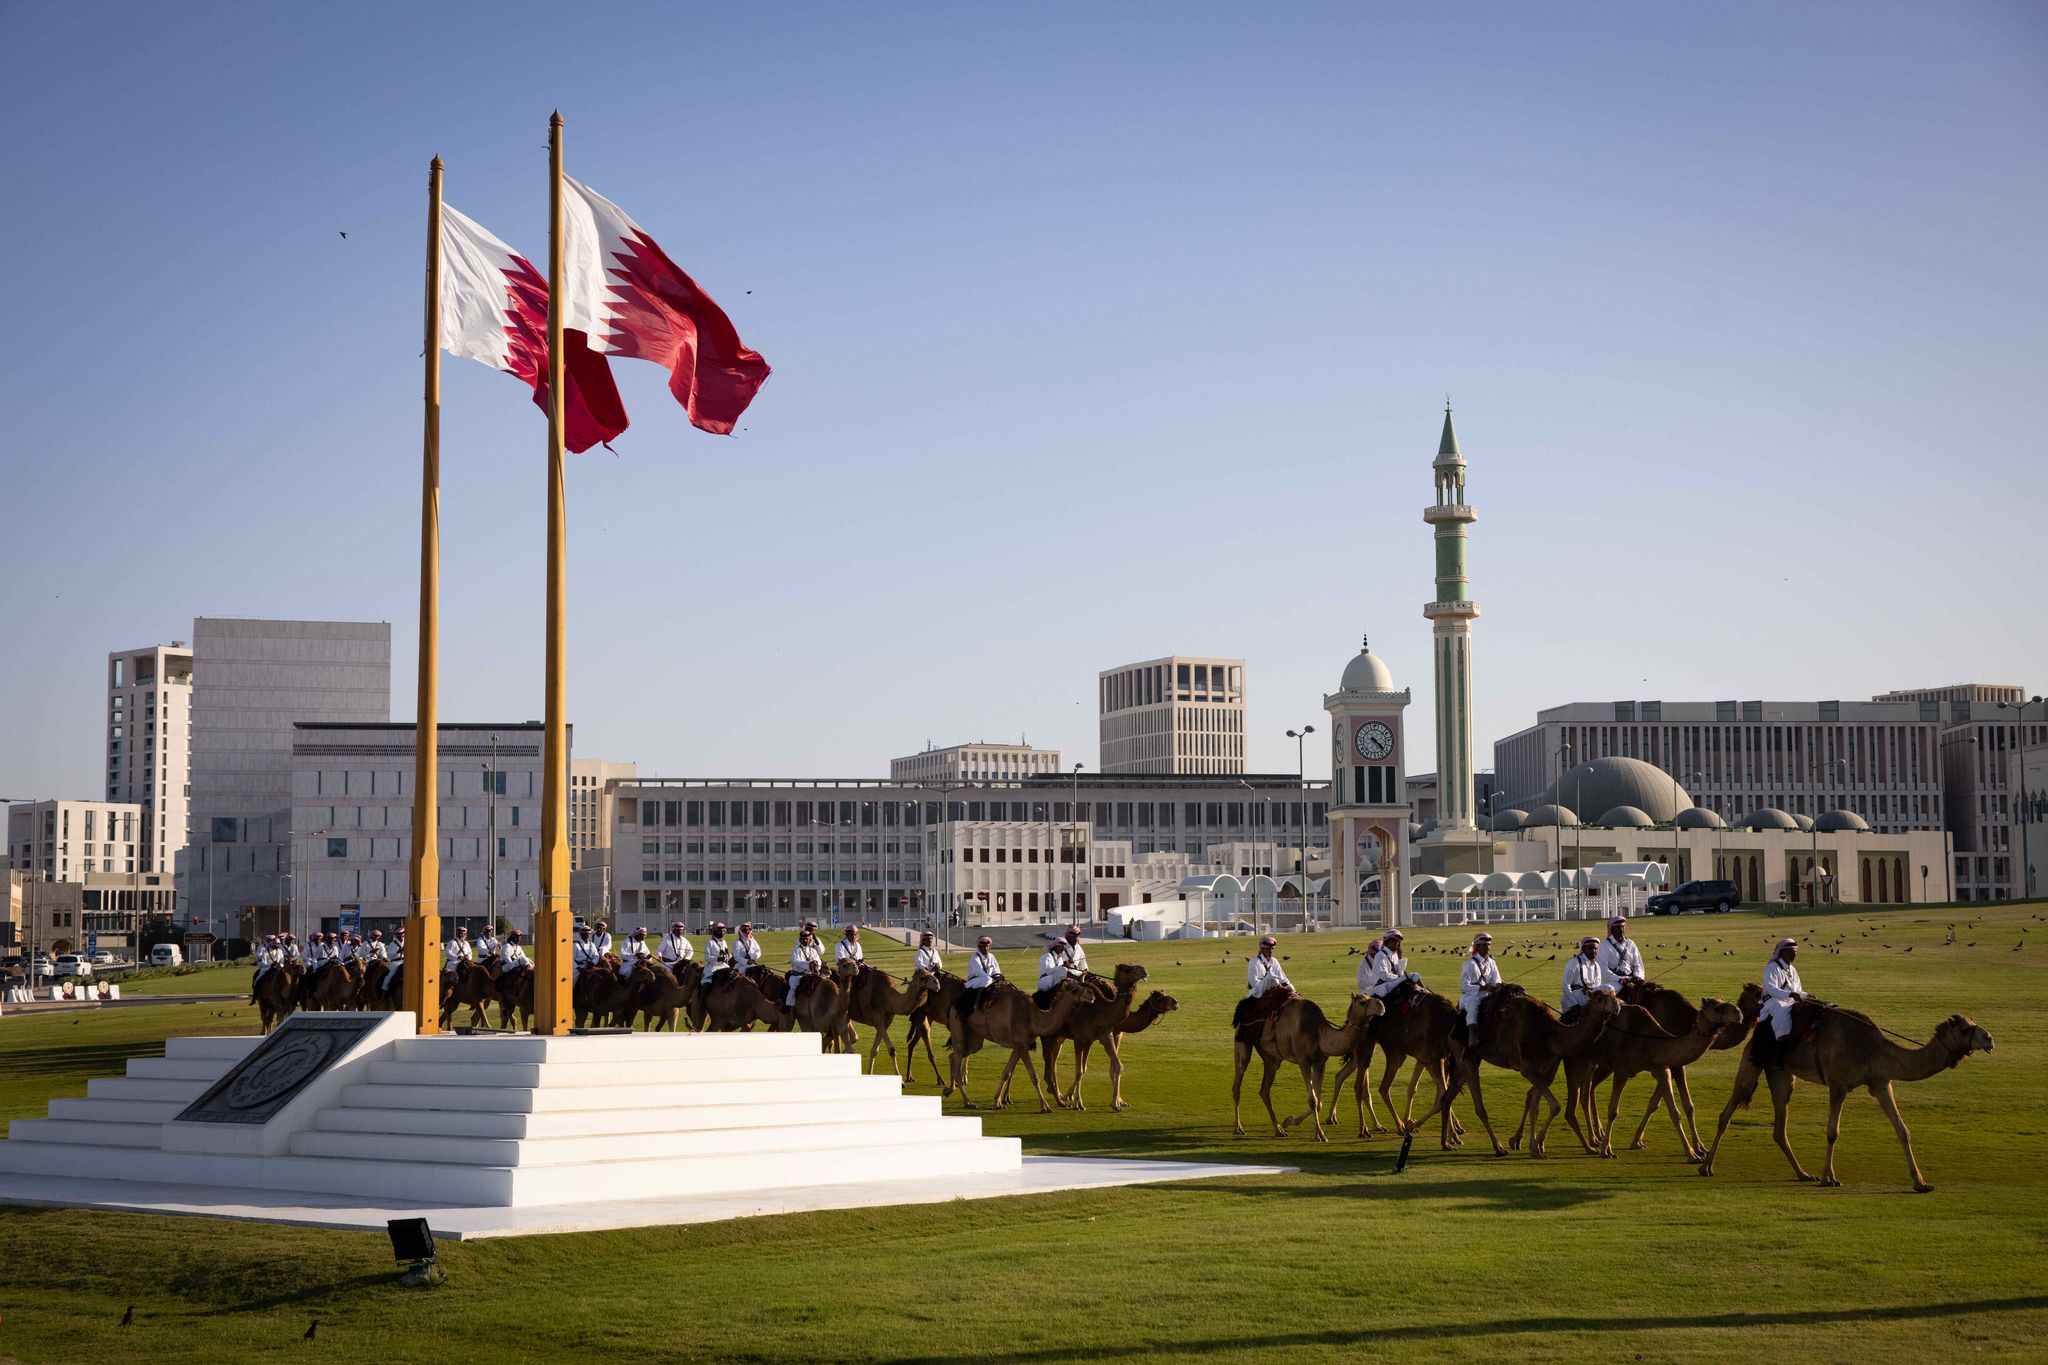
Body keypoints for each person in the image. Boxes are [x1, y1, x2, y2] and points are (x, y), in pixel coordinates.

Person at [1752, 937, 1813, 1068]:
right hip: (1773, 1002)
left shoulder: (1792, 970)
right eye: (1791, 952)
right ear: (1782, 952)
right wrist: (1790, 995)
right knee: (1782, 1013)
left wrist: (1807, 996)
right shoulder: (1772, 967)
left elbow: (1797, 990)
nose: (1794, 955)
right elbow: (1772, 989)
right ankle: (1779, 1052)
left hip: (1790, 1000)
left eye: (1795, 952)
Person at [1234, 935, 1293, 1028]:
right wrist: (1268, 982)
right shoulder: (1254, 961)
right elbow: (1253, 982)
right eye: (1268, 949)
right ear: (1262, 949)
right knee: (1272, 977)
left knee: (1283, 987)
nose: (1271, 951)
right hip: (1257, 991)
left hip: (1274, 989)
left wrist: (1293, 990)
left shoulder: (1275, 961)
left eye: (1272, 949)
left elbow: (1283, 979)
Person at [1459, 932, 1502, 1049]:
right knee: (1473, 1005)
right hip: (1471, 997)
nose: (1487, 947)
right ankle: (1472, 1035)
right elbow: (1463, 986)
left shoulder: (1492, 962)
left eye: (1489, 944)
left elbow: (1496, 980)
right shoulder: (1469, 964)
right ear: (1477, 947)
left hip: (1488, 995)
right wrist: (1483, 988)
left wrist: (1498, 986)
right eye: (1484, 945)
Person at [1560, 936, 1611, 1019]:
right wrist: (1574, 1005)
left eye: (1595, 948)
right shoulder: (1574, 963)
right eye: (1590, 948)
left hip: (1590, 997)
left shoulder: (1597, 966)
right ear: (1583, 949)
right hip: (1575, 997)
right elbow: (1565, 985)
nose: (1593, 951)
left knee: (1609, 987)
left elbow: (1597, 986)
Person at [1359, 927, 1418, 999]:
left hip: (1391, 984)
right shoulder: (1375, 958)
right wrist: (1400, 978)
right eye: (1395, 941)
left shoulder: (1394, 955)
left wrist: (1400, 957)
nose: (1397, 944)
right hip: (1376, 989)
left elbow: (1399, 973)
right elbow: (1383, 976)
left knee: (1415, 978)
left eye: (1399, 942)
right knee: (1412, 976)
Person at [955, 935, 1002, 1023]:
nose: (985, 947)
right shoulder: (974, 958)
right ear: (979, 946)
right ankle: (977, 1003)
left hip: (988, 979)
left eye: (987, 946)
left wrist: (998, 975)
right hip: (974, 981)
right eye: (983, 946)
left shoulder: (992, 956)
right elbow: (979, 972)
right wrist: (993, 978)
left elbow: (996, 969)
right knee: (987, 980)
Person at [1596, 916, 1645, 998]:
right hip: (1615, 982)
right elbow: (1603, 970)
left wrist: (1638, 977)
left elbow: (1638, 964)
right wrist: (1619, 979)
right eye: (1618, 927)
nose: (1621, 929)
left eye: (1623, 926)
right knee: (1608, 991)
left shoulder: (1630, 943)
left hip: (1632, 979)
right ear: (1611, 929)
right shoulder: (1604, 946)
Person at [787, 923, 824, 1007]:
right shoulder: (796, 950)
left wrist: (816, 963)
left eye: (808, 939)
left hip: (811, 975)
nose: (806, 941)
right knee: (793, 988)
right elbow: (796, 961)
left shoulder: (813, 951)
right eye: (804, 939)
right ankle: (790, 1006)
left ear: (810, 940)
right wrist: (809, 963)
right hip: (798, 976)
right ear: (800, 939)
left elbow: (819, 961)